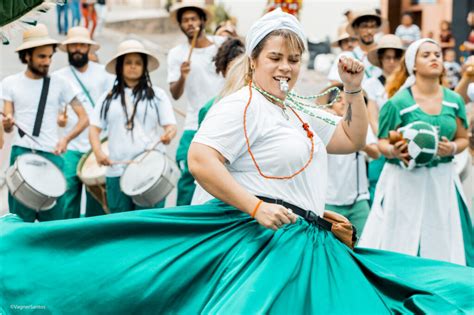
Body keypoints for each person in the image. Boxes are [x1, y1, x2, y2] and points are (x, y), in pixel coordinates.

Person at [0, 10, 473, 314]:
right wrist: (256, 207)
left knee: (440, 290)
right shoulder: (241, 104)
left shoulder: (301, 106)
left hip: (313, 241)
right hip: (264, 245)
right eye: (275, 58)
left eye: (293, 57)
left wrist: (352, 89)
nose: (286, 66)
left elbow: (351, 139)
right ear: (255, 60)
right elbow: (202, 159)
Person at [360, 39, 473, 267]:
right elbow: (382, 141)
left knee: (444, 238)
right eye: (426, 55)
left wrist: (451, 148)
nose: (434, 58)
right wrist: (393, 150)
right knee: (403, 238)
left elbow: (463, 138)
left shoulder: (453, 101)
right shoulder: (397, 102)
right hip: (405, 181)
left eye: (437, 54)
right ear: (413, 64)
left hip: (442, 179)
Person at [1, 24, 88, 222]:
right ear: (27, 56)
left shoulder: (60, 83)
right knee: (20, 222)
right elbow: (7, 126)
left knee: (53, 224)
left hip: (52, 155)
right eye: (42, 56)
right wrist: (7, 122)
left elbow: (84, 118)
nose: (47, 61)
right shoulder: (10, 83)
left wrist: (65, 139)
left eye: (50, 56)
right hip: (21, 153)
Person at [89, 39, 177, 213]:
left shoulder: (157, 95)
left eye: (138, 63)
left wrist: (168, 134)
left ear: (144, 67)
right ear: (120, 66)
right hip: (116, 171)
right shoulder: (108, 99)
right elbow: (94, 128)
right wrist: (98, 152)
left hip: (150, 170)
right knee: (120, 225)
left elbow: (171, 126)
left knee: (150, 223)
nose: (133, 66)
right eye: (128, 62)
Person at [167, 0, 226, 205]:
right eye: (185, 21)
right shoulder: (177, 53)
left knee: (220, 176)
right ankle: (181, 223)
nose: (190, 24)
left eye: (193, 19)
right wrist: (183, 76)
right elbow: (175, 94)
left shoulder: (221, 46)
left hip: (223, 121)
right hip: (194, 123)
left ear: (202, 20)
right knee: (186, 170)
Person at [54, 27, 114, 218]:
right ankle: (67, 240)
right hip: (70, 147)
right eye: (73, 45)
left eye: (82, 45)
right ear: (68, 48)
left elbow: (113, 106)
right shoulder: (58, 77)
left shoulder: (105, 74)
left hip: (98, 146)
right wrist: (60, 121)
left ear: (89, 48)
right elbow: (55, 115)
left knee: (97, 201)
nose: (78, 49)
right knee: (67, 197)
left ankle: (91, 241)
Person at [324, 83, 380, 235]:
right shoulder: (324, 124)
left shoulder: (360, 127)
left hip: (358, 200)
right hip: (328, 201)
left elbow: (376, 153)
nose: (343, 102)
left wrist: (357, 142)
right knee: (330, 247)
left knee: (365, 244)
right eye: (338, 99)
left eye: (347, 99)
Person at [363, 34, 405, 203]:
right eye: (387, 57)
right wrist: (384, 141)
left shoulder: (408, 84)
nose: (391, 62)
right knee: (377, 188)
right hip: (380, 142)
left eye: (396, 57)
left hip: (405, 142)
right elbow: (372, 117)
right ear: (380, 60)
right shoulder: (371, 84)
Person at [328, 9, 382, 85]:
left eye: (372, 26)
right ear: (356, 29)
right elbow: (335, 84)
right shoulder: (346, 57)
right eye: (364, 26)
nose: (369, 31)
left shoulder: (384, 54)